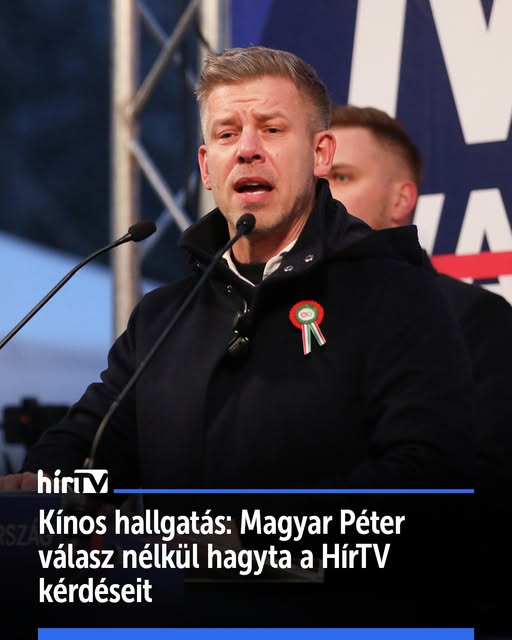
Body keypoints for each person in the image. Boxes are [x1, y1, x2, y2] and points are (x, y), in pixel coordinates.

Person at [0, 47, 475, 493]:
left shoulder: (395, 293)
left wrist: (258, 534)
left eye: (272, 129)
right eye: (227, 134)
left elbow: (428, 474)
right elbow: (94, 453)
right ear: (207, 167)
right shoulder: (163, 318)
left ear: (320, 155)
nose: (247, 149)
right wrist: (42, 485)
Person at [326, 103, 512, 631]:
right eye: (316, 179)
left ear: (400, 199)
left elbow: (476, 492)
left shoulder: (471, 318)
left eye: (342, 177)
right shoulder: (278, 325)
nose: (322, 194)